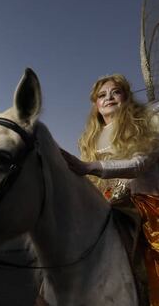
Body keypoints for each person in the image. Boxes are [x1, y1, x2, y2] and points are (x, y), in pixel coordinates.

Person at [61, 74, 159, 305]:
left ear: (126, 96)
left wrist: (89, 167)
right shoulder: (90, 138)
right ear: (95, 104)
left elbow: (140, 164)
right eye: (101, 95)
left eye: (115, 92)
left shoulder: (148, 121)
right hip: (107, 202)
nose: (108, 98)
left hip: (147, 202)